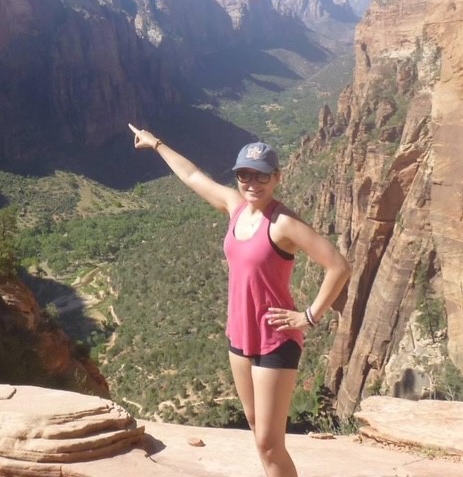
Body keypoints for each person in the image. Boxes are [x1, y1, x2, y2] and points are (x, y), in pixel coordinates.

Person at [130, 125, 351, 477]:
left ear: (276, 178)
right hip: (239, 337)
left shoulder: (283, 223)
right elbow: (192, 175)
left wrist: (308, 316)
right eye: (244, 174)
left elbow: (338, 265)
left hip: (275, 340)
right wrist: (156, 144)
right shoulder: (235, 207)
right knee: (253, 425)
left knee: (268, 441)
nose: (252, 182)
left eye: (261, 175)